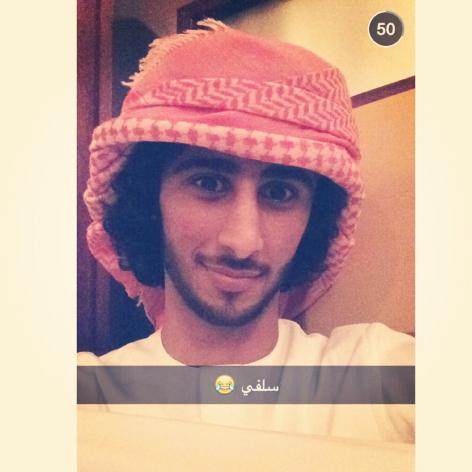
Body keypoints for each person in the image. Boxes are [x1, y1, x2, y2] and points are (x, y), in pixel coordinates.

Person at [79, 19, 414, 443]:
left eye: (279, 193)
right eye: (209, 183)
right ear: (150, 200)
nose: (242, 243)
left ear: (313, 220)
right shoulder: (86, 398)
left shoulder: (376, 375)